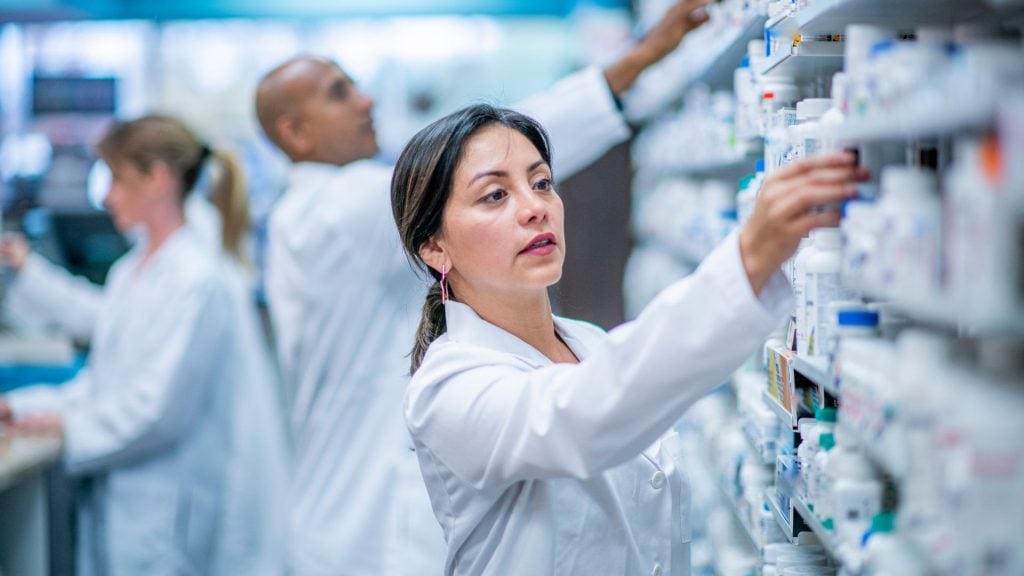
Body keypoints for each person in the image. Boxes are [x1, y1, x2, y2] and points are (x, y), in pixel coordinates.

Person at [253, 2, 712, 573]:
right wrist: (640, 59)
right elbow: (479, 160)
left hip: (349, 504)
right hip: (366, 526)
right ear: (294, 132)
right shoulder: (335, 213)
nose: (365, 101)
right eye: (338, 93)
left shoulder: (308, 216)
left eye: (542, 183)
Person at [389, 104, 866, 575]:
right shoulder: (447, 389)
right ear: (435, 247)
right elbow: (582, 417)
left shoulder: (591, 343)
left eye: (541, 184)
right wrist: (750, 256)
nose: (535, 209)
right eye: (495, 195)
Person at [0, 115, 288, 575]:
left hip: (168, 510)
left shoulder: (198, 279)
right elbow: (108, 378)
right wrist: (29, 406)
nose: (107, 196)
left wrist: (66, 427)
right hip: (128, 501)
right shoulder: (133, 269)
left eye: (115, 178)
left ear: (157, 178)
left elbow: (156, 411)